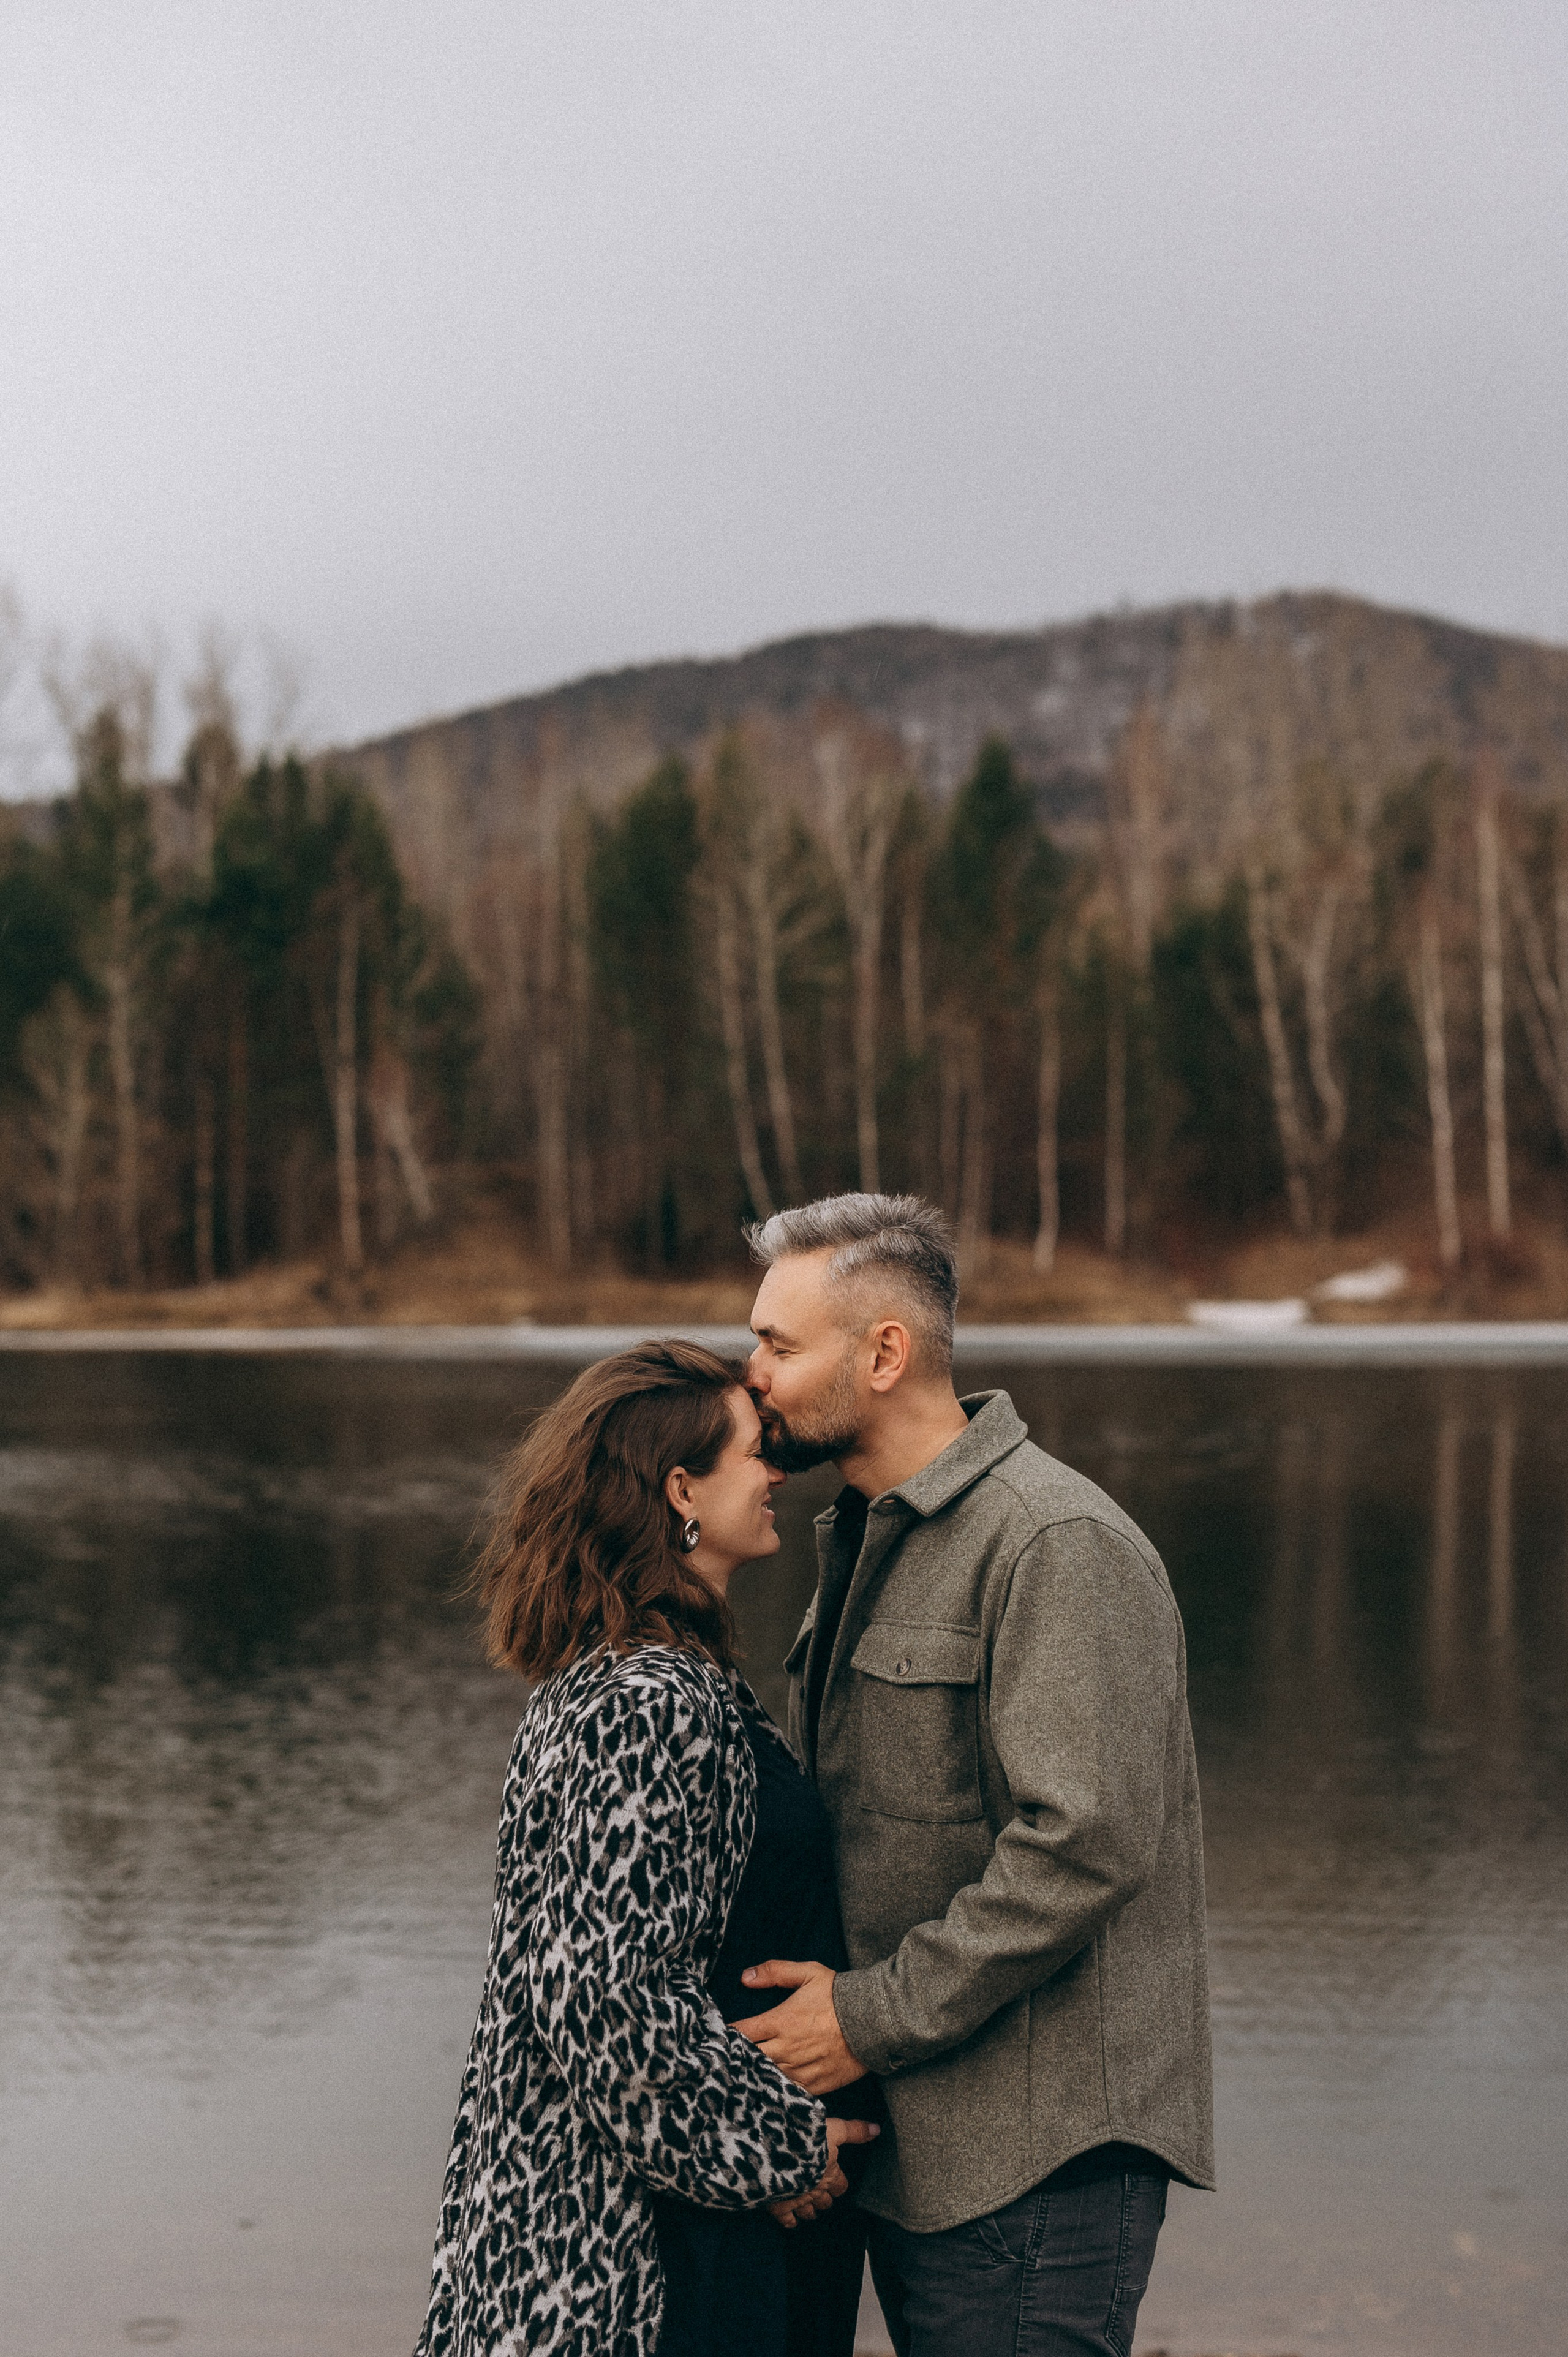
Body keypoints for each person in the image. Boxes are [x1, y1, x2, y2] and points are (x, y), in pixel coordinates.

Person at [730, 1194, 1215, 2357]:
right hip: (922, 2149)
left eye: (779, 1346)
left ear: (884, 1353)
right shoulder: (863, 1534)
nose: (750, 1374)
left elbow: (1082, 1846)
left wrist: (864, 2018)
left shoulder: (1056, 1544)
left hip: (1035, 2172)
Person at [413, 1338, 879, 2357]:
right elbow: (598, 1995)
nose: (776, 1474)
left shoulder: (618, 1678)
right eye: (755, 1453)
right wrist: (781, 2146)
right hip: (641, 2254)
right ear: (681, 1490)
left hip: (658, 2215)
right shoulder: (648, 1700)